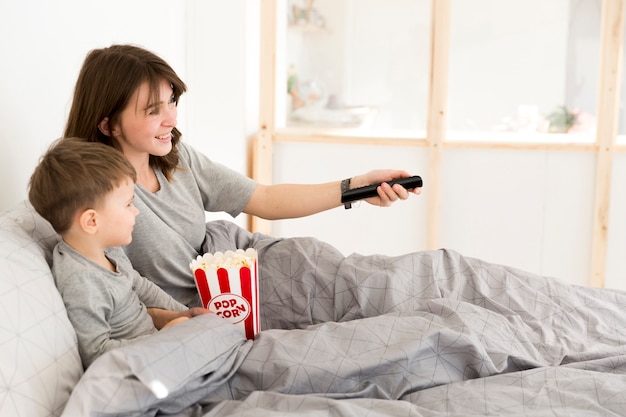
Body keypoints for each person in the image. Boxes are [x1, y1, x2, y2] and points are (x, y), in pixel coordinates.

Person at [62, 44, 424, 330]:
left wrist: (355, 186)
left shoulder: (177, 157)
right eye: (154, 110)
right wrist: (184, 321)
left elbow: (264, 198)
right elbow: (123, 290)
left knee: (373, 279)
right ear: (109, 125)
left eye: (172, 101)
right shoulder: (97, 200)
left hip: (242, 263)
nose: (171, 119)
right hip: (213, 305)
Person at [28, 137, 211, 368]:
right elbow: (96, 353)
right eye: (128, 204)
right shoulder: (81, 281)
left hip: (156, 347)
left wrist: (183, 315)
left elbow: (141, 286)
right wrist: (163, 339)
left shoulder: (110, 251)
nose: (136, 212)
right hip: (139, 367)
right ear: (92, 221)